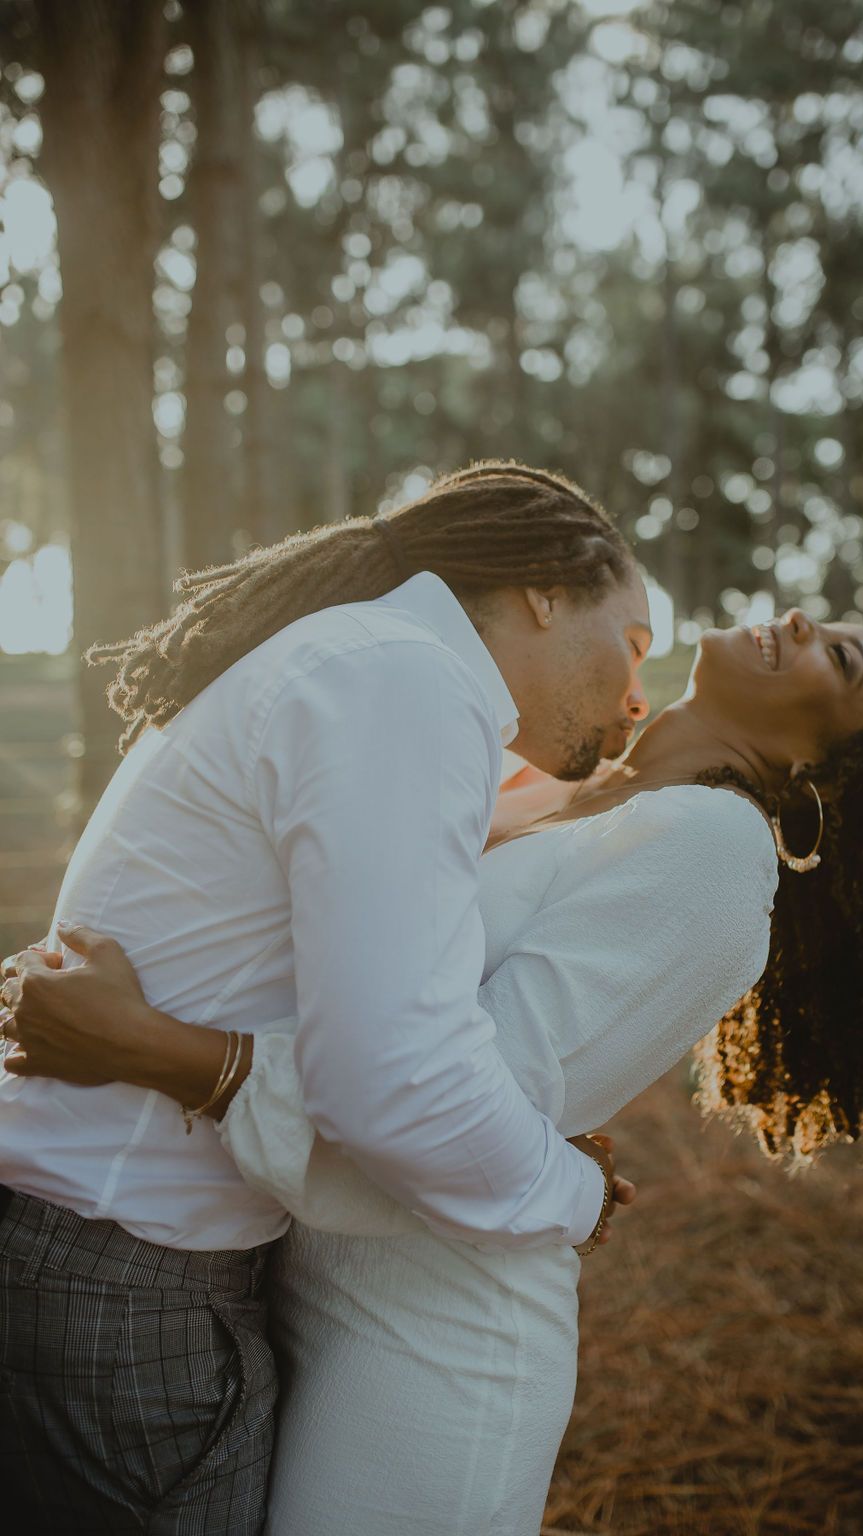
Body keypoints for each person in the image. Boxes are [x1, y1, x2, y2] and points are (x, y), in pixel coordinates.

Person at [2, 606, 863, 1534]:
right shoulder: (551, 786)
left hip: (430, 1338)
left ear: (818, 773)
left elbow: (450, 1102)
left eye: (841, 662)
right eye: (827, 625)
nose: (804, 625)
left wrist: (148, 1045)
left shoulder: (710, 849)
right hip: (283, 1277)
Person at [0, 461, 654, 1536]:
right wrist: (570, 1193)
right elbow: (396, 1076)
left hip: (108, 1258)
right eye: (631, 644)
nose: (637, 693)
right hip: (134, 1290)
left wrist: (621, 779)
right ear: (547, 588)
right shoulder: (406, 683)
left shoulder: (368, 662)